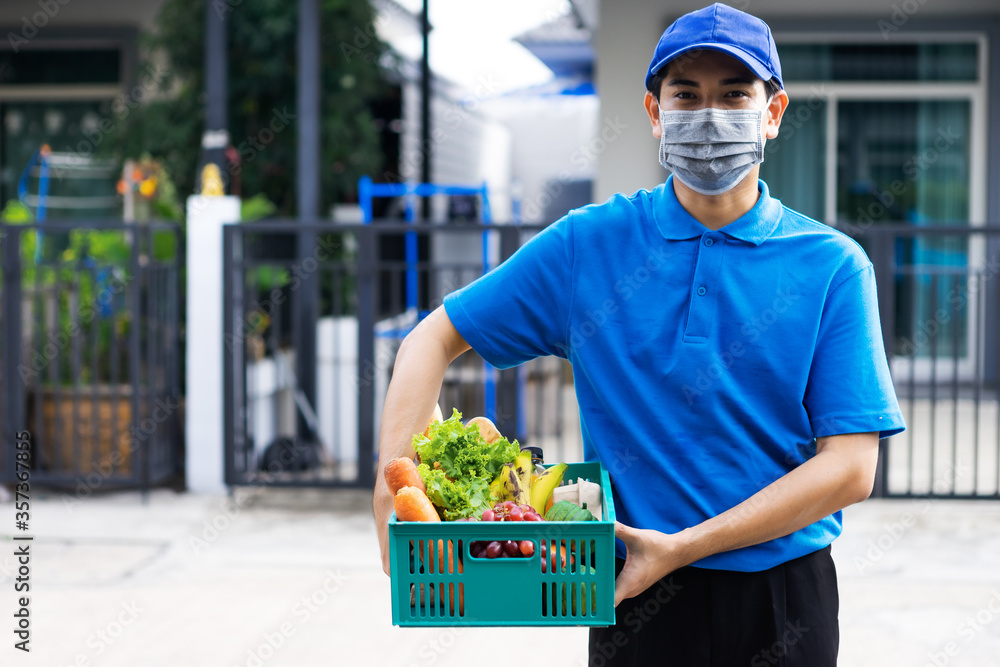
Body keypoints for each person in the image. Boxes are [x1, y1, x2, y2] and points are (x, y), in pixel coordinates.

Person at [373, 3, 905, 664]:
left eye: (735, 94)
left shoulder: (832, 266)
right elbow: (433, 336)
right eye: (686, 94)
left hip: (783, 601)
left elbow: (851, 467)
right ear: (654, 111)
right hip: (632, 598)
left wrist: (685, 545)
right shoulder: (587, 246)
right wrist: (390, 485)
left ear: (772, 112)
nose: (709, 115)